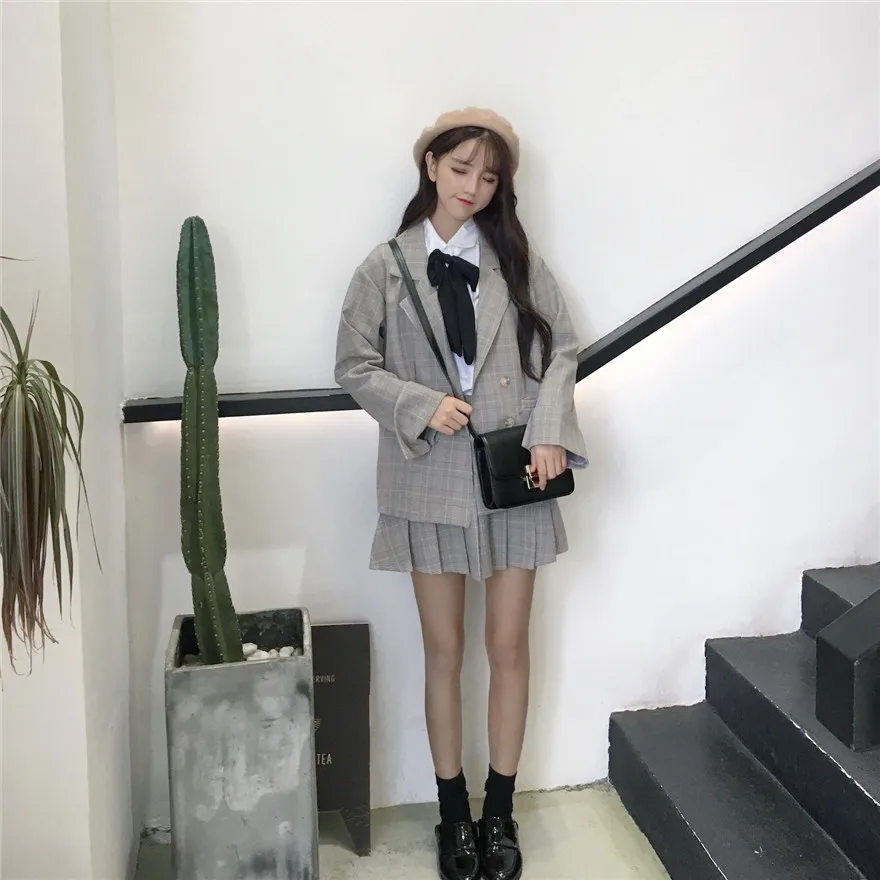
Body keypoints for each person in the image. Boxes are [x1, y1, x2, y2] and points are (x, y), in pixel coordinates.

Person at [334, 107, 588, 880]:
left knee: (508, 647)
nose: (473, 185)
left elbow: (564, 347)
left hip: (514, 474)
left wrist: (549, 429)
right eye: (460, 168)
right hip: (427, 476)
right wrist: (418, 404)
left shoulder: (517, 261)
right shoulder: (386, 267)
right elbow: (353, 365)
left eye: (488, 174)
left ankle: (499, 811)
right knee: (443, 651)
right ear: (431, 167)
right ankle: (454, 816)